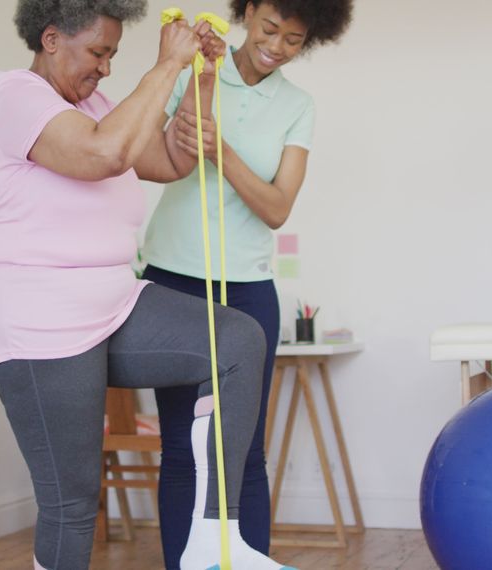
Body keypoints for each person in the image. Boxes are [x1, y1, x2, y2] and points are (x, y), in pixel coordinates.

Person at [0, 1, 296, 569]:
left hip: (112, 303)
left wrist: (201, 79)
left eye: (113, 54)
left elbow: (171, 158)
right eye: (98, 53)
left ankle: (213, 540)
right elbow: (101, 154)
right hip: (36, 313)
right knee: (73, 501)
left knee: (237, 341)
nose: (105, 68)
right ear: (51, 39)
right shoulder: (15, 96)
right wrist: (164, 64)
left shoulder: (95, 105)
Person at [141, 1, 355, 567]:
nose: (276, 45)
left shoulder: (296, 106)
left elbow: (278, 207)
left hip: (249, 289)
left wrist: (224, 151)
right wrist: (201, 81)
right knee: (183, 451)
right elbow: (153, 155)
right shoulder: (196, 68)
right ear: (249, 11)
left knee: (244, 452)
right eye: (268, 28)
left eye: (293, 39)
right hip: (172, 283)